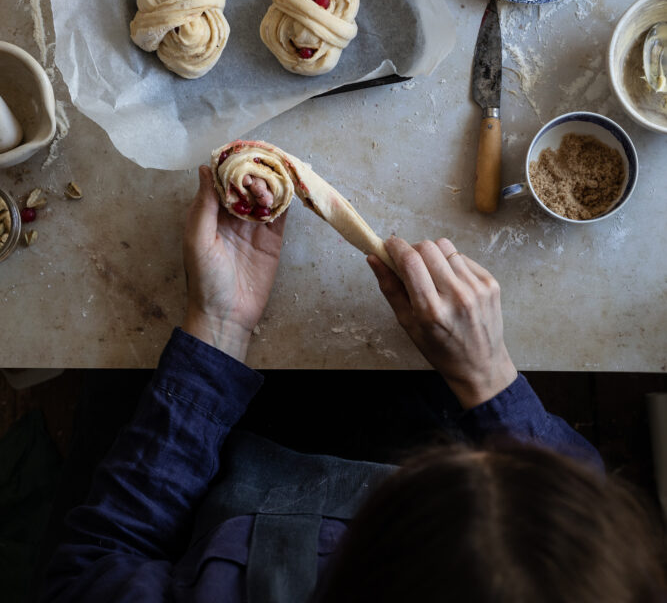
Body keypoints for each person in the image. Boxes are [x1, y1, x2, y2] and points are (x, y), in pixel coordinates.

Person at [38, 166, 665, 602]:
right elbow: (577, 521)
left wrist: (216, 331)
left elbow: (98, 558)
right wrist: (489, 377)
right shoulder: (586, 579)